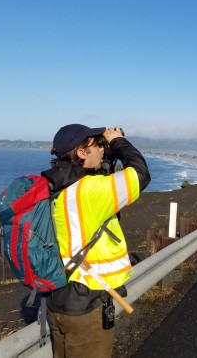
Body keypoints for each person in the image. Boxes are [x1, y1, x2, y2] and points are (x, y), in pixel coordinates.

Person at [41, 123, 150, 357]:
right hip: (87, 304)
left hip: (59, 298)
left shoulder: (56, 186)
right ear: (81, 153)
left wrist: (104, 151)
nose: (102, 148)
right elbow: (140, 174)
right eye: (97, 145)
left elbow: (98, 175)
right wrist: (117, 141)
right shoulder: (90, 191)